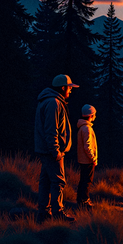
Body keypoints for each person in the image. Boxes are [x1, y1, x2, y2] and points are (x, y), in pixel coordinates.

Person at [34, 74, 78, 223]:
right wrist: (56, 151)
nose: (70, 91)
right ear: (63, 87)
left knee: (46, 181)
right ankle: (57, 213)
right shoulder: (54, 103)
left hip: (45, 150)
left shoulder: (47, 101)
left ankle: (43, 214)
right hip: (51, 152)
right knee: (58, 182)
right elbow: (51, 130)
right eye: (69, 88)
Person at [76, 104, 98, 208]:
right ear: (90, 116)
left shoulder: (82, 127)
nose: (95, 117)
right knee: (87, 181)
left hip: (82, 159)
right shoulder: (87, 129)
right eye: (94, 115)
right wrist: (93, 158)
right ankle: (84, 201)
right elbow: (87, 146)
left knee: (83, 180)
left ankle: (80, 200)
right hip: (87, 160)